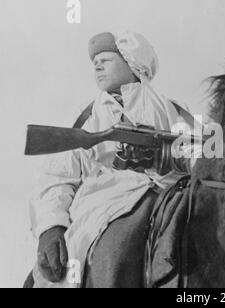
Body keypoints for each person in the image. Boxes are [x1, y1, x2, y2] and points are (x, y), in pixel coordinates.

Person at [28, 30, 195, 288]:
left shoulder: (173, 109)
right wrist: (51, 226)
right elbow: (57, 175)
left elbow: (201, 154)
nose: (97, 65)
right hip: (104, 200)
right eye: (95, 62)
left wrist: (165, 160)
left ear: (132, 62)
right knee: (76, 257)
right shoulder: (87, 116)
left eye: (106, 59)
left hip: (169, 194)